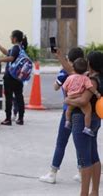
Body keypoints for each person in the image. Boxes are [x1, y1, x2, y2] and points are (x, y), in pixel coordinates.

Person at [39, 47, 85, 184]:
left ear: (70, 61)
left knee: (61, 142)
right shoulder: (86, 73)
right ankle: (82, 171)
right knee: (80, 143)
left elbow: (55, 87)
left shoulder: (65, 72)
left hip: (68, 111)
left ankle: (53, 172)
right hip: (83, 110)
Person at [65, 51, 103, 196]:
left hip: (82, 119)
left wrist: (68, 101)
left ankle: (84, 193)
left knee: (84, 159)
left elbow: (83, 101)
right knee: (93, 155)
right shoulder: (98, 78)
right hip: (95, 118)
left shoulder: (92, 80)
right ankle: (94, 192)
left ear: (91, 64)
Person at [0, 30, 27, 125]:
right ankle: (21, 118)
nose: (10, 38)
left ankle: (8, 119)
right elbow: (6, 52)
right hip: (18, 77)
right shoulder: (21, 48)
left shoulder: (16, 48)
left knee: (8, 98)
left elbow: (10, 58)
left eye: (11, 36)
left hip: (10, 77)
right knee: (19, 97)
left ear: (15, 38)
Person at [64, 58, 100, 136]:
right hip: (80, 97)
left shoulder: (70, 77)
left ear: (73, 68)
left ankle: (67, 121)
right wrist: (96, 93)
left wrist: (68, 93)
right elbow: (90, 87)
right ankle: (87, 127)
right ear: (86, 68)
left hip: (71, 97)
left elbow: (64, 87)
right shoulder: (86, 79)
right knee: (88, 112)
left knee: (68, 110)